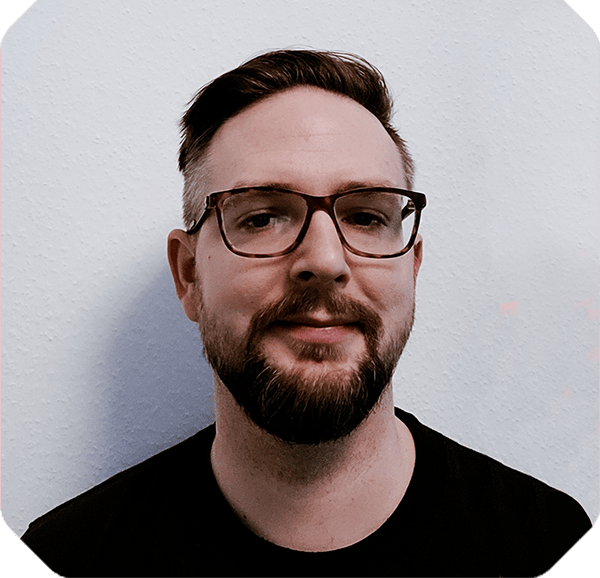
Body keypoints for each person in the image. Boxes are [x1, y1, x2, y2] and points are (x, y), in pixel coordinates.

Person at [21, 49, 592, 577]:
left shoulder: (552, 546)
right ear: (190, 274)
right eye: (263, 216)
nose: (323, 260)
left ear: (411, 269)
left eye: (367, 217)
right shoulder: (64, 559)